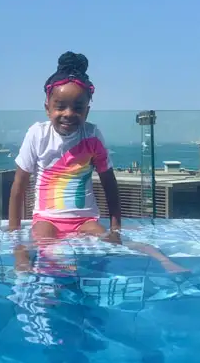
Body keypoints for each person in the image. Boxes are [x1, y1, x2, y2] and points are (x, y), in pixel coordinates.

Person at [7, 51, 121, 241]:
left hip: (86, 219)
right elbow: (20, 183)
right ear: (47, 108)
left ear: (87, 110)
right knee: (40, 243)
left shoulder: (92, 135)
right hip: (46, 219)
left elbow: (109, 182)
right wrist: (14, 232)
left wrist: (116, 228)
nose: (68, 114)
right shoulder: (38, 134)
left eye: (78, 108)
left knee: (109, 242)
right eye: (60, 106)